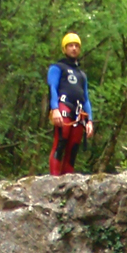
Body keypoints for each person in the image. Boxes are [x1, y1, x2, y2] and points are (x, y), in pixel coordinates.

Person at [45, 32, 94, 175]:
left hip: (79, 113)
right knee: (61, 143)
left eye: (76, 46)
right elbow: (52, 88)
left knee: (73, 149)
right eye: (70, 45)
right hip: (63, 107)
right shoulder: (57, 68)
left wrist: (89, 120)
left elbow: (85, 98)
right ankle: (54, 180)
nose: (74, 48)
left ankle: (67, 183)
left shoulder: (82, 75)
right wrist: (54, 109)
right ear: (64, 48)